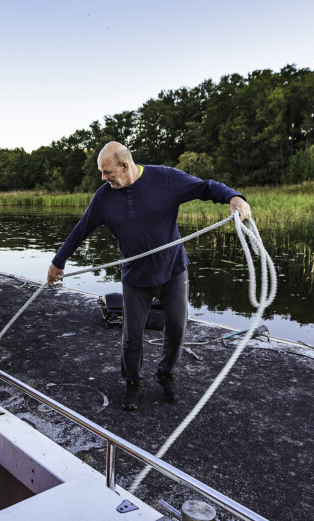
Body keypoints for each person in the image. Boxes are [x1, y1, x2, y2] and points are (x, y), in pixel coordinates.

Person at [47, 142, 251, 410]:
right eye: (101, 173)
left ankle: (165, 373)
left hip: (173, 271)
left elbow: (206, 187)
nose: (103, 178)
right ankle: (132, 382)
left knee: (177, 329)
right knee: (132, 336)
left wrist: (235, 198)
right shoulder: (104, 197)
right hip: (135, 277)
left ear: (124, 165)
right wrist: (58, 261)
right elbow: (81, 229)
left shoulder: (165, 178)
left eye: (107, 172)